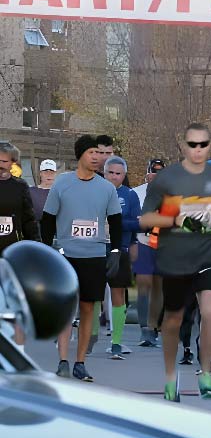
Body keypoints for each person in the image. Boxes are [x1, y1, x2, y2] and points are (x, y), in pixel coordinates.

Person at [139, 123, 211, 402]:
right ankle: (170, 378)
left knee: (209, 311)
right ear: (183, 145)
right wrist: (176, 220)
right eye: (192, 144)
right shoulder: (166, 179)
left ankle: (205, 374)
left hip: (207, 257)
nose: (198, 150)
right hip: (175, 257)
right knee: (174, 319)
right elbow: (145, 219)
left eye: (203, 144)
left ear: (209, 146)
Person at [41, 135, 122, 382]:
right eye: (92, 153)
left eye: (100, 153)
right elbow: (47, 219)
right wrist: (48, 251)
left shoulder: (106, 187)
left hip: (94, 255)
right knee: (67, 308)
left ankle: (80, 362)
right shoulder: (62, 184)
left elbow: (116, 222)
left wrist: (116, 251)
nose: (97, 157)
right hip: (66, 254)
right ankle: (63, 361)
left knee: (89, 308)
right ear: (81, 155)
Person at [103, 156, 141, 359]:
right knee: (91, 295)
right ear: (104, 172)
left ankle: (116, 341)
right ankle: (90, 334)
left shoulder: (130, 195)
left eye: (118, 174)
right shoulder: (95, 191)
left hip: (120, 249)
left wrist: (116, 224)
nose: (114, 177)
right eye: (110, 173)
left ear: (123, 176)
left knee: (118, 294)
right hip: (95, 248)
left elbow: (138, 223)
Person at [133, 158, 165, 347]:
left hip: (163, 243)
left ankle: (153, 327)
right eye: (154, 171)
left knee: (159, 286)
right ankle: (144, 328)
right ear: (147, 173)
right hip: (142, 240)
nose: (157, 175)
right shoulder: (136, 193)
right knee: (144, 283)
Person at [0, 141, 40, 254]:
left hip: (12, 250)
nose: (0, 165)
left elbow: (29, 220)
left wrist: (35, 246)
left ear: (12, 162)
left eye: (4, 161)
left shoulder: (20, 186)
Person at [29, 159, 57, 227]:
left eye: (51, 172)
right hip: (36, 228)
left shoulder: (60, 193)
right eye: (46, 172)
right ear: (40, 173)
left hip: (56, 228)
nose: (49, 175)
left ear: (55, 174)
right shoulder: (31, 191)